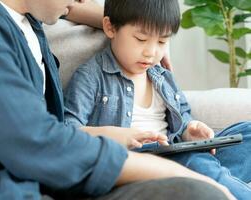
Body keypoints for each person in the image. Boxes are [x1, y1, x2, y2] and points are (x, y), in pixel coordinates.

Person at [0, 0, 234, 199]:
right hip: (4, 188)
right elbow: (38, 142)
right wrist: (175, 173)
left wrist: (147, 33)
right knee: (195, 190)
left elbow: (77, 9)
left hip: (54, 180)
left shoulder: (31, 25)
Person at [64, 0, 251, 199]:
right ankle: (215, 180)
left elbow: (183, 117)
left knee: (245, 134)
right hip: (138, 165)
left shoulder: (161, 76)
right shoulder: (91, 77)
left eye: (162, 42)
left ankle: (213, 178)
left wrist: (190, 130)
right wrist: (120, 136)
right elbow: (67, 131)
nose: (151, 53)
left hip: (176, 152)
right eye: (141, 39)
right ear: (110, 27)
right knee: (196, 162)